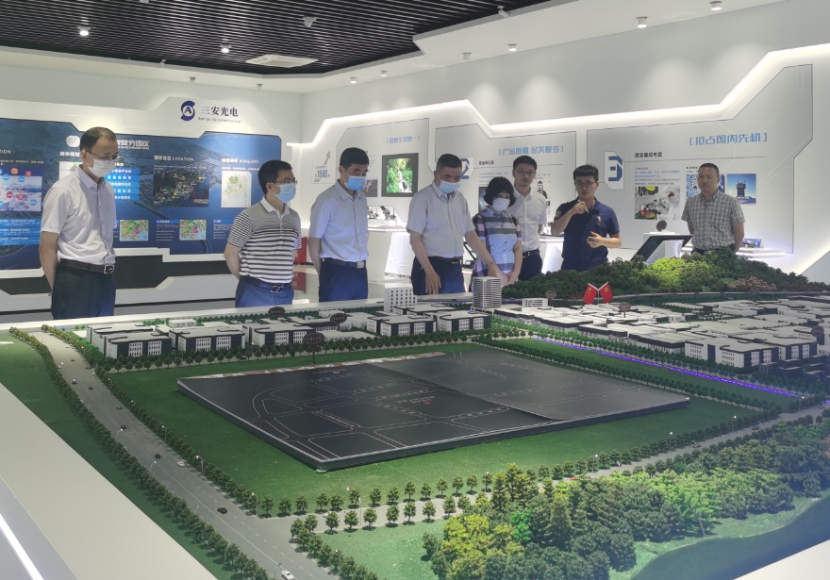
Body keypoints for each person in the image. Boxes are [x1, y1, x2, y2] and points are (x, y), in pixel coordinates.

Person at [40, 126, 119, 320]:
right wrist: (60, 287)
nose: (111, 161)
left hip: (106, 278)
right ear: (84, 155)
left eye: (114, 156)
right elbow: (47, 246)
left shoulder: (108, 191)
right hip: (75, 277)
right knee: (73, 338)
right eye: (105, 156)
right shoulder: (63, 191)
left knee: (102, 336)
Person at [407, 153, 506, 295]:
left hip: (455, 268)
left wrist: (490, 264)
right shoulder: (423, 199)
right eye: (447, 177)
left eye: (457, 177)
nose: (452, 181)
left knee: (457, 307)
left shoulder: (460, 199)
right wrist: (429, 270)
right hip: (430, 266)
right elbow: (415, 239)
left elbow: (470, 234)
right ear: (436, 174)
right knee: (430, 308)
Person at [224, 160, 301, 307]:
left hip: (285, 292)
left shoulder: (294, 217)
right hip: (255, 291)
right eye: (286, 181)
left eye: (293, 181)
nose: (291, 185)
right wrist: (247, 281)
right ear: (270, 186)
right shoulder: (248, 216)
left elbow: (292, 251)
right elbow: (230, 254)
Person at [308, 148, 370, 302]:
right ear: (341, 170)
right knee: (333, 316)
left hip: (360, 272)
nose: (361, 177)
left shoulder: (362, 199)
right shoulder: (327, 200)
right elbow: (314, 240)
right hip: (336, 271)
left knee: (360, 315)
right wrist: (323, 273)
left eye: (364, 172)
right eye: (356, 172)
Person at [551, 164, 621, 272]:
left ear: (597, 185)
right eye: (579, 183)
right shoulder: (565, 208)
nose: (583, 187)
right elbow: (554, 231)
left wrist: (602, 241)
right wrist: (571, 213)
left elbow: (618, 241)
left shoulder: (607, 211)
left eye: (588, 183)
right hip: (570, 269)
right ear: (575, 185)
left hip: (598, 270)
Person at [682, 163, 744, 253]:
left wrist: (731, 254)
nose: (704, 181)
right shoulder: (690, 202)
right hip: (698, 253)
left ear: (718, 180)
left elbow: (740, 234)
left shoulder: (731, 202)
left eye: (709, 177)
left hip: (723, 253)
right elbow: (692, 230)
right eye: (701, 177)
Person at [472, 177, 522, 283]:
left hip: (511, 276)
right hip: (487, 274)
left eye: (507, 196)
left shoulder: (513, 219)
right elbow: (482, 249)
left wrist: (516, 272)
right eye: (499, 196)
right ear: (491, 196)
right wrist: (499, 274)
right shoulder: (480, 219)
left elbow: (518, 248)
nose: (503, 199)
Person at [506, 155, 547, 280]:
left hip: (532, 258)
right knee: (508, 291)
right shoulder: (505, 199)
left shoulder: (540, 199)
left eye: (530, 172)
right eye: (521, 172)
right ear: (513, 173)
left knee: (532, 291)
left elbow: (539, 227)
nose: (526, 176)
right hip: (509, 257)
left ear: (534, 174)